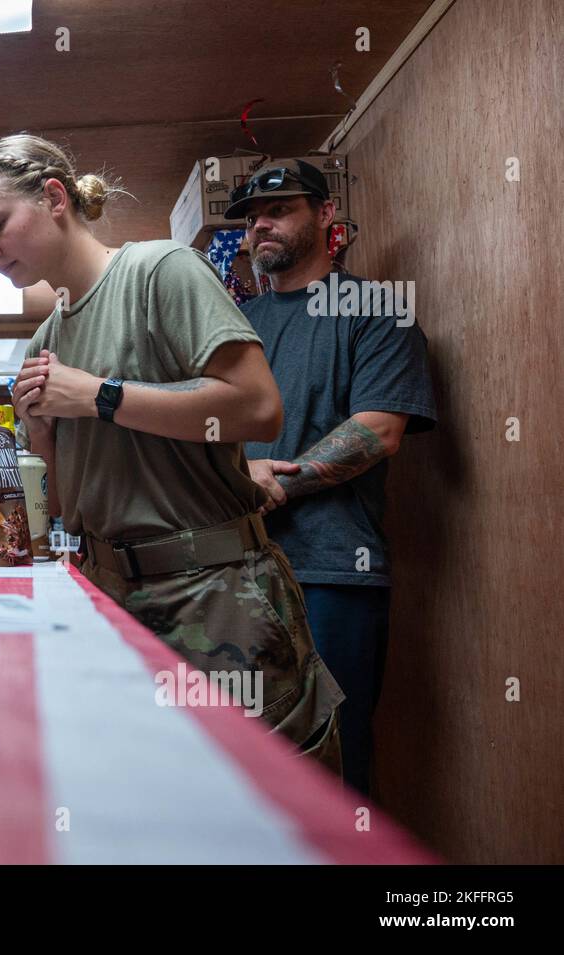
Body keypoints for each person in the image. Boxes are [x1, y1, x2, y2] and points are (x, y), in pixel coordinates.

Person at [0, 133, 343, 768]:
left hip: (214, 597)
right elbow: (60, 504)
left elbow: (256, 407)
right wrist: (45, 434)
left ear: (55, 198)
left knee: (266, 819)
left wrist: (100, 396)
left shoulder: (160, 271)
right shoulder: (44, 343)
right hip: (108, 597)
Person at [225, 160, 438, 794]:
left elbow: (379, 430)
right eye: (252, 217)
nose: (262, 224)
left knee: (332, 760)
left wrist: (277, 481)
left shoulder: (376, 310)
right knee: (242, 757)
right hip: (235, 574)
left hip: (332, 569)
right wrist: (235, 472)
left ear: (325, 216)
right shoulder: (239, 327)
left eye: (281, 209)